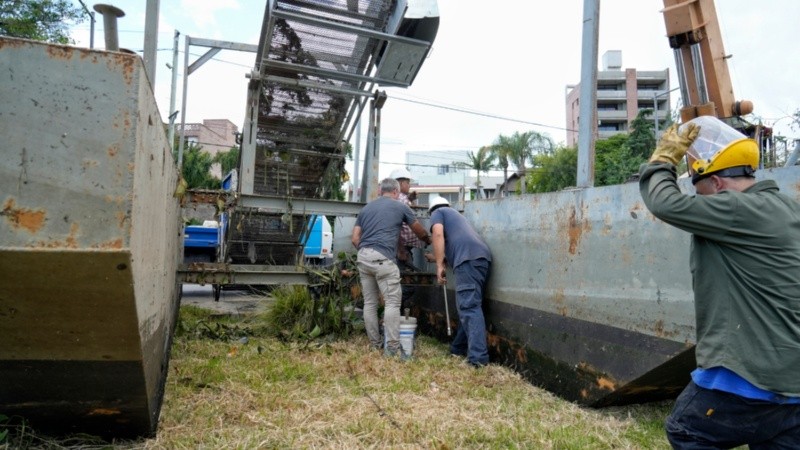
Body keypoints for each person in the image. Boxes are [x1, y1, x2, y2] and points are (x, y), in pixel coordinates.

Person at [639, 115, 800, 449]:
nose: (700, 202)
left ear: (717, 183)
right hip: (793, 384)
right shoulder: (787, 208)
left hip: (748, 377)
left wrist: (662, 160)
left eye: (699, 192)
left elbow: (664, 202)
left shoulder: (736, 208)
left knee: (686, 430)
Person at [351, 178, 431, 357]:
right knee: (392, 303)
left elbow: (355, 238)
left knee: (370, 303)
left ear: (380, 191)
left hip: (363, 257)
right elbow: (419, 231)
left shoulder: (366, 209)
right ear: (396, 191)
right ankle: (392, 348)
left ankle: (375, 344)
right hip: (383, 259)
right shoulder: (401, 207)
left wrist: (367, 252)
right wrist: (428, 240)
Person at [427, 196, 492, 367]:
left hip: (468, 260)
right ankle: (458, 348)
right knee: (470, 306)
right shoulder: (458, 217)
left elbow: (437, 233)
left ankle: (478, 359)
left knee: (469, 308)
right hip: (481, 258)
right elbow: (455, 247)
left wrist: (439, 265)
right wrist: (436, 258)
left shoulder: (438, 212)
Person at [389, 168, 426, 312]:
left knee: (402, 283)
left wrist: (410, 198)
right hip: (401, 249)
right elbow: (396, 226)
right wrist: (401, 250)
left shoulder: (398, 199)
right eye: (408, 182)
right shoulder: (401, 199)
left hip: (401, 249)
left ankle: (394, 314)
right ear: (400, 183)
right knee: (408, 285)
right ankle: (391, 310)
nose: (409, 185)